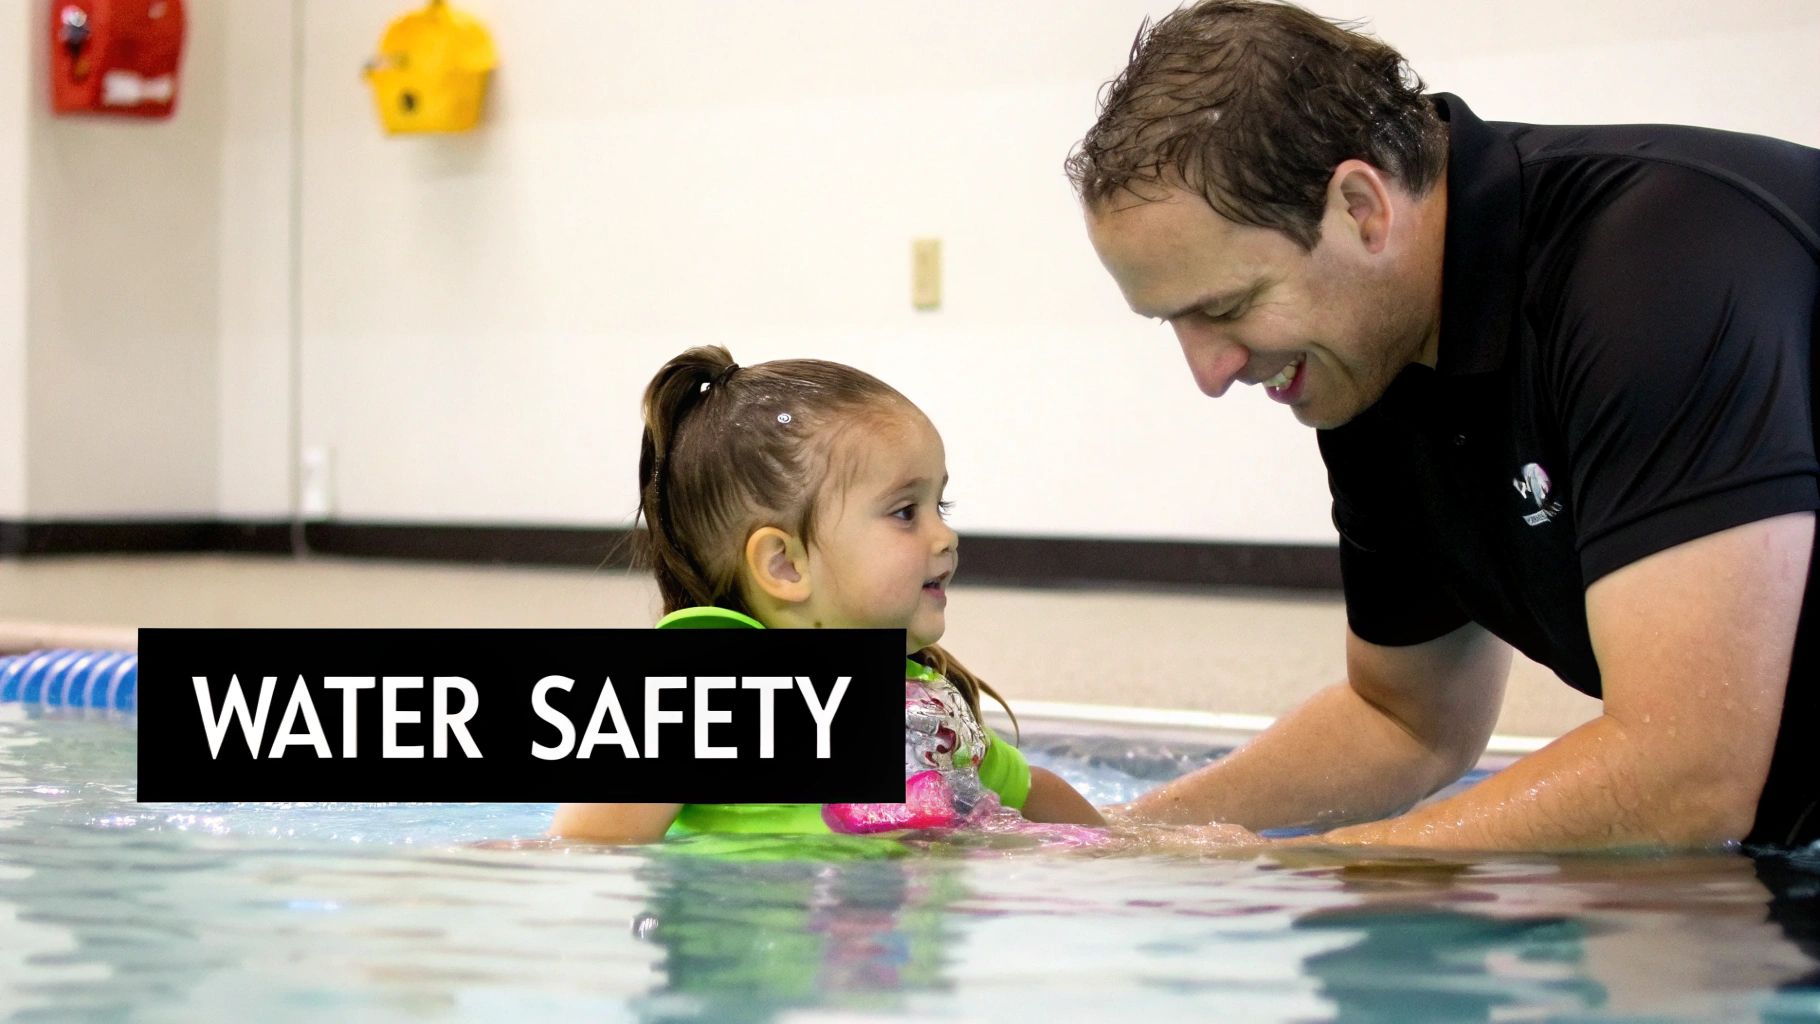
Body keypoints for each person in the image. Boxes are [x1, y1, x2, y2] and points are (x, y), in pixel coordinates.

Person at [1068, 0, 1820, 849]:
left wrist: (1311, 868)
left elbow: (1686, 773)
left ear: (1362, 208)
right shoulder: (1373, 364)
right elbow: (1403, 721)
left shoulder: (1660, 268)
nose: (1208, 373)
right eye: (1171, 322)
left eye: (1228, 307)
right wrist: (1119, 841)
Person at [551, 346, 1103, 843]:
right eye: (906, 513)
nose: (946, 535)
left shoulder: (925, 703)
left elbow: (1030, 792)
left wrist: (1128, 846)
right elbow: (588, 843)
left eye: (943, 507)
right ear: (786, 565)